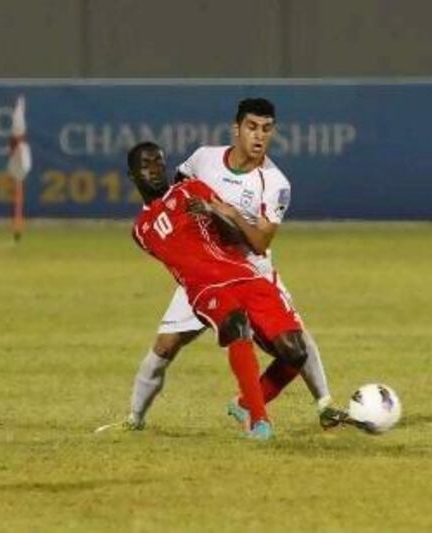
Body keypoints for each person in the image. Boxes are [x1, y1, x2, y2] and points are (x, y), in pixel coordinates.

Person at [124, 98, 344, 430]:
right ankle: (133, 419)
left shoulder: (275, 183)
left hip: (251, 266)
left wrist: (228, 215)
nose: (259, 137)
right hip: (204, 271)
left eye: (267, 130)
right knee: (165, 346)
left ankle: (322, 402)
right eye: (252, 128)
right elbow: (175, 193)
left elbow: (259, 243)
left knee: (293, 339)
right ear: (236, 129)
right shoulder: (204, 159)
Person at [112, 141, 313, 440]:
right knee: (233, 325)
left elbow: (234, 236)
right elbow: (180, 262)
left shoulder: (191, 189)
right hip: (205, 289)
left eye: (159, 162)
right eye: (146, 164)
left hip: (244, 275)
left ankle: (245, 404)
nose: (155, 169)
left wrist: (214, 211)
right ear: (132, 175)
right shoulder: (140, 230)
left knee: (296, 351)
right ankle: (260, 423)